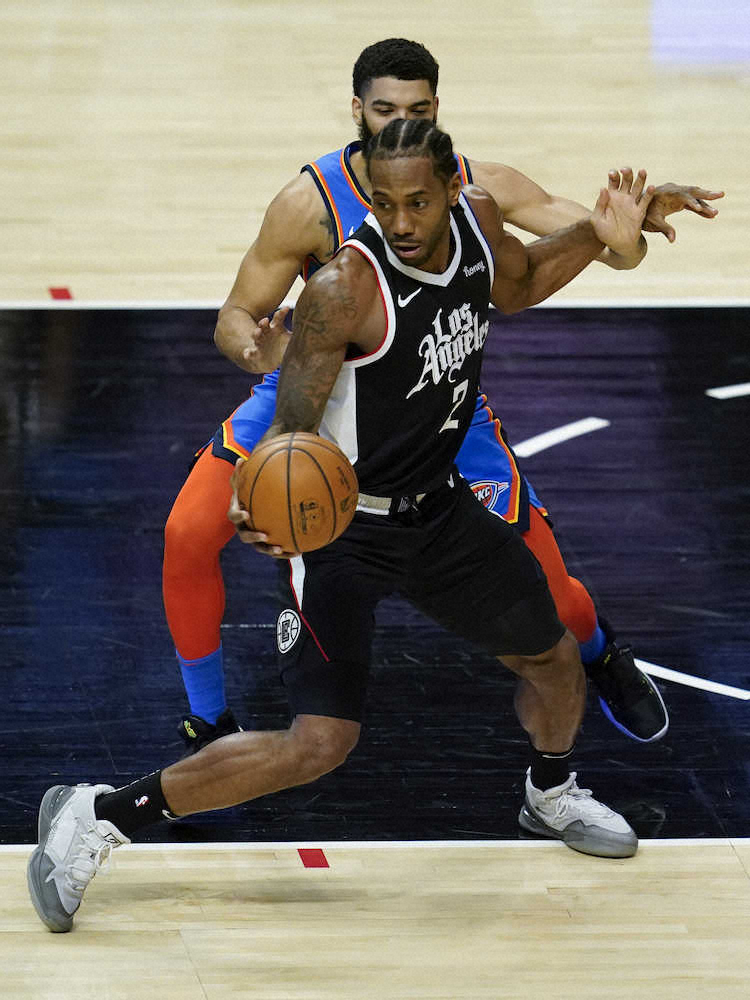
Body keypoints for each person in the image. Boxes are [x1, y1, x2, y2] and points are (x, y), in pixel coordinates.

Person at [28, 119, 659, 934]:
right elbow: (291, 427)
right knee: (319, 743)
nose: (400, 221)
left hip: (439, 509)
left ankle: (551, 793)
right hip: (344, 533)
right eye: (384, 204)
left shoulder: (478, 225)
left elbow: (525, 279)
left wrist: (601, 234)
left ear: (453, 190)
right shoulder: (343, 291)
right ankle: (98, 814)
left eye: (417, 203)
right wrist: (260, 503)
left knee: (556, 660)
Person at [163, 39, 721, 754]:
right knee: (186, 534)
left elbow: (612, 248)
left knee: (550, 587)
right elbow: (235, 315)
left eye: (418, 110)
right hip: (316, 393)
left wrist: (633, 224)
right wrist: (257, 349)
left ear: (437, 111)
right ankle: (208, 720)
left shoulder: (475, 189)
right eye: (385, 109)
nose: (401, 122)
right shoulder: (309, 201)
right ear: (357, 110)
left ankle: (600, 652)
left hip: (434, 397)